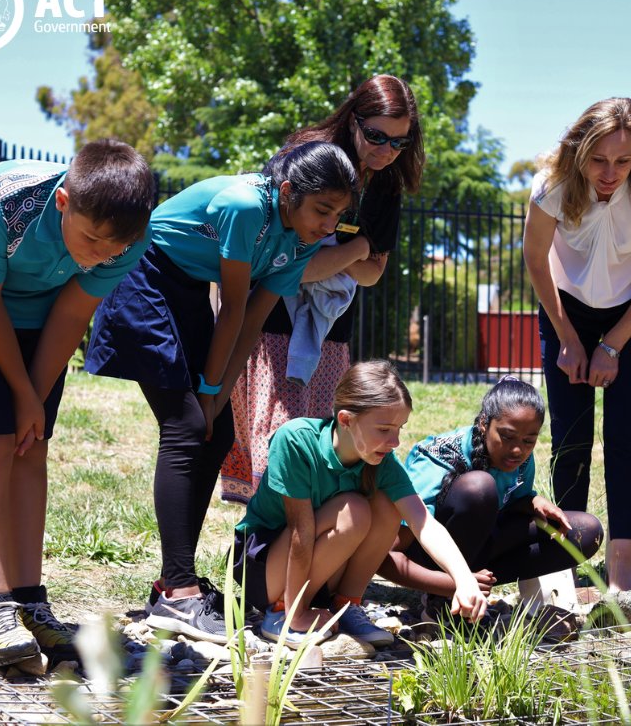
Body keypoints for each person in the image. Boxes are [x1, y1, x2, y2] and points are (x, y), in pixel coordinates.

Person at [84, 141, 358, 642]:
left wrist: (220, 395)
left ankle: (173, 582)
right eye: (322, 210)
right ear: (290, 191)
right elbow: (232, 307)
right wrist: (209, 391)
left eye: (338, 215)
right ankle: (180, 594)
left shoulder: (297, 241)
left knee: (218, 429)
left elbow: (253, 321)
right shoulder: (246, 206)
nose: (328, 226)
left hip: (185, 289)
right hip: (144, 275)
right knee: (188, 425)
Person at [0, 140, 155, 667]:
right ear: (64, 202)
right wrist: (25, 393)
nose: (98, 254)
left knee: (32, 442)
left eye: (111, 248)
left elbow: (73, 315)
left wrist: (35, 401)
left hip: (44, 307)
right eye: (91, 239)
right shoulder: (0, 203)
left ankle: (30, 601)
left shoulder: (132, 236)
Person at [221, 74, 424, 503]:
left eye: (399, 143)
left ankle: (301, 560)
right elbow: (288, 268)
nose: (386, 151)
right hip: (272, 320)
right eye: (377, 136)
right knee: (279, 438)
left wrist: (346, 257)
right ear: (354, 120)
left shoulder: (386, 186)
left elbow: (374, 274)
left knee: (318, 444)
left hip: (330, 332)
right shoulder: (309, 158)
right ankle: (258, 556)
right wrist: (359, 249)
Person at [522, 97, 631, 591]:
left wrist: (612, 345)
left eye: (622, 161)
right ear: (580, 150)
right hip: (566, 307)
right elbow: (535, 257)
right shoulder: (553, 185)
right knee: (571, 436)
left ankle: (619, 575)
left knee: (623, 434)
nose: (610, 172)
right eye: (599, 160)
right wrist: (568, 336)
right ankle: (570, 569)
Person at [231, 360, 488, 649]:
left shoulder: (381, 461)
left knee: (389, 506)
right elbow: (300, 531)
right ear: (346, 420)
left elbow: (422, 523)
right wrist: (295, 611)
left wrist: (464, 578)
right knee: (354, 510)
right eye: (383, 429)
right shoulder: (296, 440)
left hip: (316, 570)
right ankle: (282, 615)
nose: (395, 441)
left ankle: (345, 605)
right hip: (263, 568)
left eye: (399, 428)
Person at [378, 377, 603, 619]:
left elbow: (510, 505)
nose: (517, 450)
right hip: (429, 560)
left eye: (529, 441)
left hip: (479, 552)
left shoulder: (519, 458)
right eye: (507, 436)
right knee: (479, 487)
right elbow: (386, 555)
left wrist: (532, 501)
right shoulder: (438, 457)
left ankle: (473, 593)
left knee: (585, 531)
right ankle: (440, 602)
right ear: (484, 423)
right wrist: (450, 583)